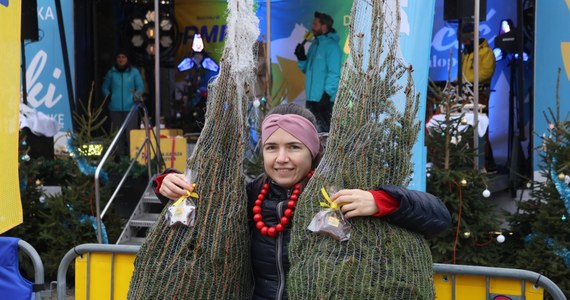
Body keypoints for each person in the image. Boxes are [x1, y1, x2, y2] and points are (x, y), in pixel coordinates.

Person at [154, 104, 451, 299]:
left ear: (312, 151)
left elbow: (439, 218)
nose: (281, 158)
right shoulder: (248, 195)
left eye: (294, 147)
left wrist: (381, 201)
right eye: (272, 147)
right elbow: (198, 202)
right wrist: (165, 181)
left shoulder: (340, 193)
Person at [294, 12, 342, 133]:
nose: (312, 27)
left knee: (325, 135)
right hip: (311, 99)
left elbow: (334, 74)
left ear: (324, 26)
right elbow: (307, 70)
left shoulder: (332, 47)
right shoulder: (314, 44)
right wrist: (301, 57)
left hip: (324, 101)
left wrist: (327, 95)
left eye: (315, 24)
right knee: (312, 134)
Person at [460, 23, 497, 172]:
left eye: (467, 39)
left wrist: (465, 80)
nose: (465, 42)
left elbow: (485, 73)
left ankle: (486, 164)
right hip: (466, 93)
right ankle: (470, 163)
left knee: (481, 128)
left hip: (480, 95)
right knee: (467, 128)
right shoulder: (466, 53)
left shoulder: (486, 52)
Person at [101, 50, 145, 155]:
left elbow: (140, 87)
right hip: (115, 109)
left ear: (127, 59)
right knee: (117, 135)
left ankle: (132, 158)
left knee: (131, 135)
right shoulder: (111, 73)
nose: (121, 59)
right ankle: (119, 159)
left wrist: (136, 96)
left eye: (123, 57)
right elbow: (104, 87)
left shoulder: (134, 72)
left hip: (131, 108)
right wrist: (110, 95)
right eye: (119, 57)